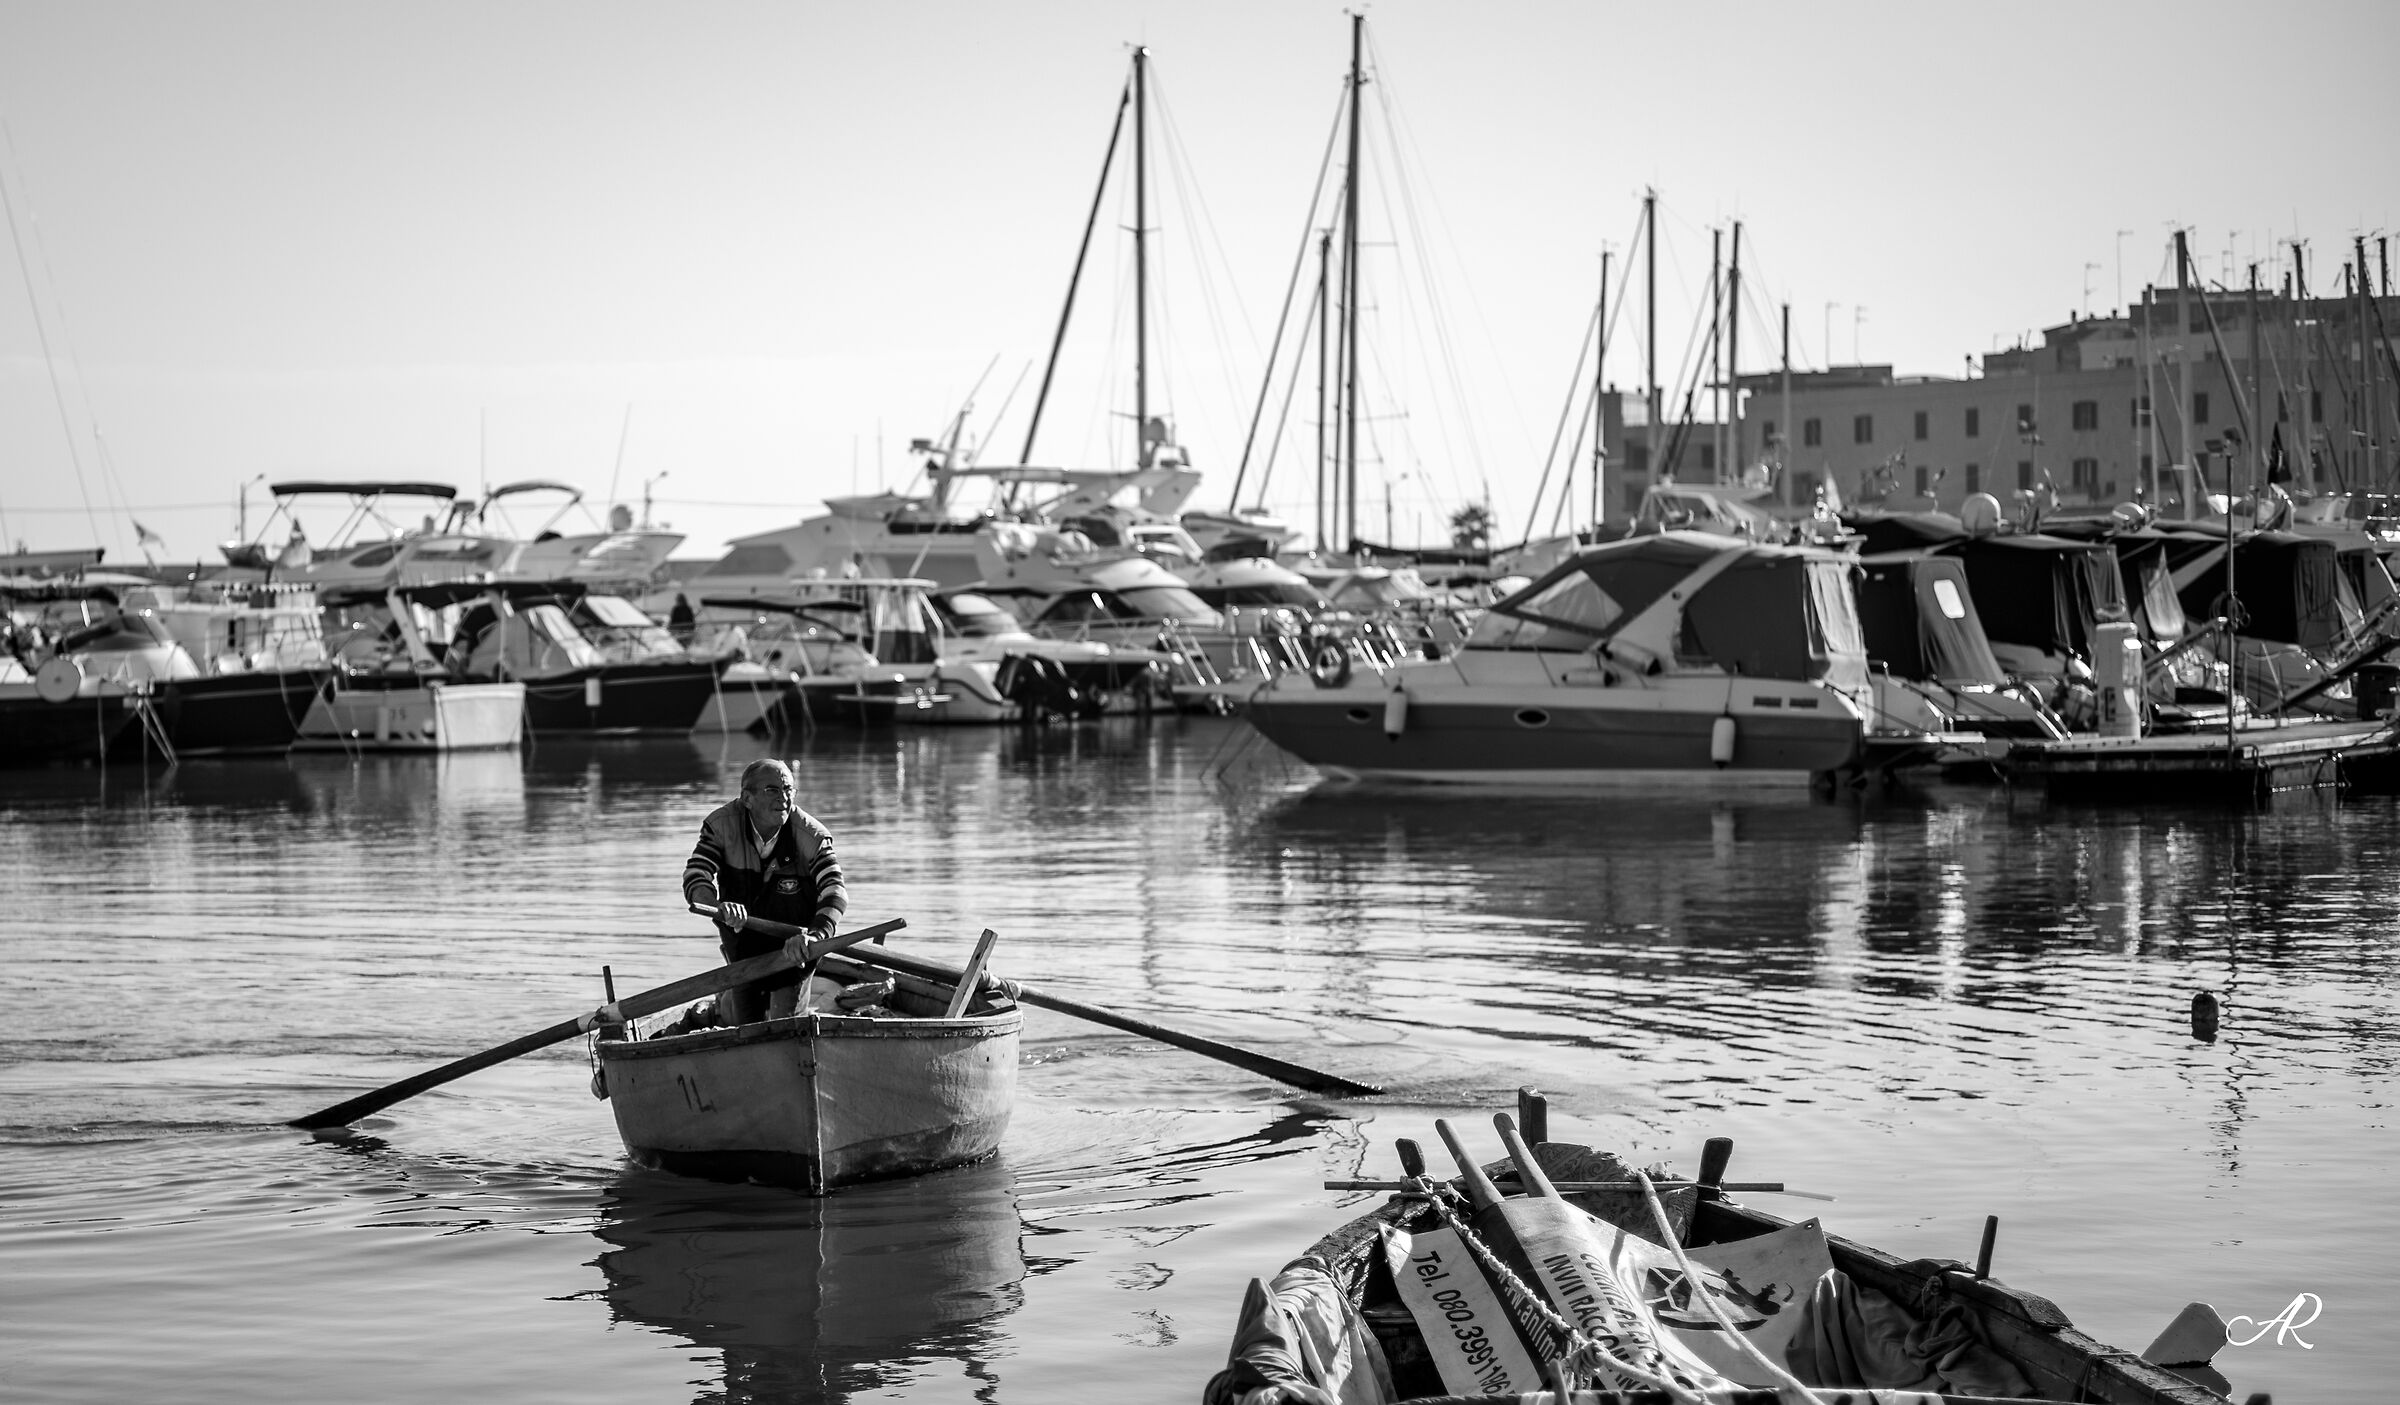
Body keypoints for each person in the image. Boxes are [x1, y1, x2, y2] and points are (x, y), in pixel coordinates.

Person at [681, 758, 846, 1025]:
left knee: (785, 1029)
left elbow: (835, 891)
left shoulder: (811, 835)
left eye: (788, 789)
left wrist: (815, 936)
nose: (784, 798)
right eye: (772, 790)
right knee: (748, 1031)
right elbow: (696, 876)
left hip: (795, 951)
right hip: (742, 949)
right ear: (747, 798)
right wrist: (717, 907)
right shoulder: (720, 825)